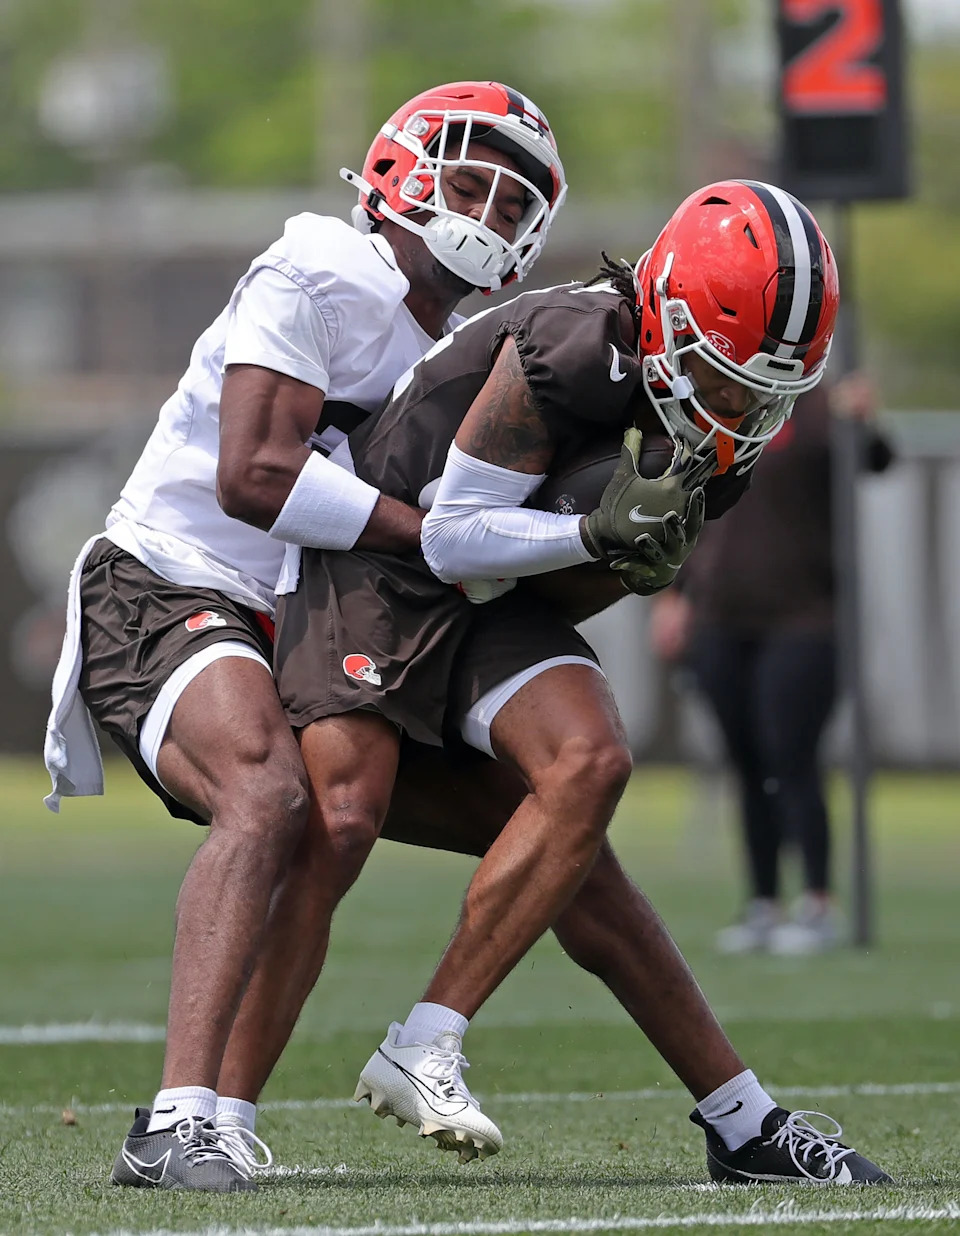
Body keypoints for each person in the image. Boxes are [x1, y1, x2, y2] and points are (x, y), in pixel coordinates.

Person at [229, 180, 890, 1185]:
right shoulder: (573, 343)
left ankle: (438, 1043)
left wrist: (619, 562)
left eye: (763, 390)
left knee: (588, 767)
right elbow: (451, 533)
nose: (739, 410)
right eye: (722, 378)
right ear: (663, 311)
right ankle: (208, 1117)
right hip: (379, 566)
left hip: (493, 594)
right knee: (343, 816)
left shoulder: (719, 436)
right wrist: (591, 534)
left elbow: (548, 584)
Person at [42, 80, 567, 1192]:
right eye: (470, 183)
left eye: (514, 208)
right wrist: (434, 535)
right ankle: (177, 1120)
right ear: (401, 175)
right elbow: (255, 476)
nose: (487, 217)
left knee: (548, 813)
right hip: (167, 583)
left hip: (304, 627)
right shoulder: (323, 265)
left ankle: (743, 1111)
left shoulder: (465, 346)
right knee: (269, 795)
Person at [649, 372, 894, 955]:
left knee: (792, 756)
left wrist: (861, 419)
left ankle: (816, 903)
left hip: (806, 620)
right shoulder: (711, 406)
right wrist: (675, 597)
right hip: (720, 618)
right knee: (748, 762)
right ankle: (763, 904)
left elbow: (878, 460)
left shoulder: (818, 408)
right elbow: (693, 510)